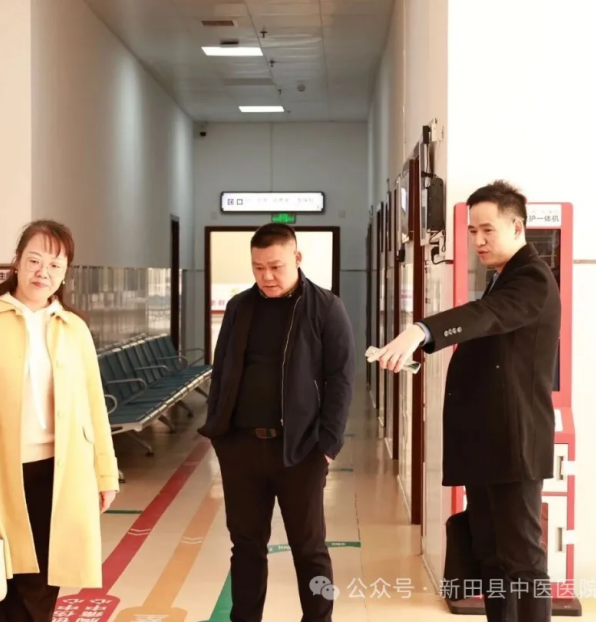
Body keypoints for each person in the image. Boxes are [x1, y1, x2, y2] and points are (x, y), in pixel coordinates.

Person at [374, 180, 559, 622]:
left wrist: (422, 330)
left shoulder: (532, 277)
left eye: (487, 230)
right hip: (489, 442)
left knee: (522, 560)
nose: (477, 240)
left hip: (515, 443)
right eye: (472, 230)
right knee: (491, 554)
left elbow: (486, 316)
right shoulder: (502, 278)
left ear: (517, 227)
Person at [0, 219, 120, 622]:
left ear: (66, 272)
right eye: (34, 260)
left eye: (55, 265)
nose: (42, 272)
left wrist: (105, 474)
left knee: (41, 585)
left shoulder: (74, 328)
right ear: (17, 261)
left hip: (59, 472)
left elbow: (94, 406)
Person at [198, 223, 355, 622]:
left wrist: (327, 446)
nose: (266, 276)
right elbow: (222, 370)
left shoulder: (325, 307)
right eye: (258, 268)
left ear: (297, 258)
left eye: (275, 266)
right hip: (241, 448)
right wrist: (220, 433)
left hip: (300, 450)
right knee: (246, 546)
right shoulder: (240, 307)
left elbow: (340, 379)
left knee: (310, 548)